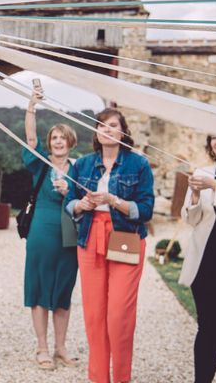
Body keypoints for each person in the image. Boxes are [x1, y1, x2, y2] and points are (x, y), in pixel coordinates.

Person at [64, 108, 154, 383]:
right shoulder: (82, 164)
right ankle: (99, 377)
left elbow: (147, 209)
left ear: (123, 131)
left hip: (125, 238)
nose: (107, 129)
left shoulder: (139, 164)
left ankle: (121, 378)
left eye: (113, 125)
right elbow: (70, 201)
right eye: (102, 125)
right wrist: (82, 204)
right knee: (94, 314)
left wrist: (114, 201)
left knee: (119, 315)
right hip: (90, 238)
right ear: (96, 132)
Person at [22, 91, 79, 370]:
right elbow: (30, 140)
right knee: (40, 288)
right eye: (54, 138)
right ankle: (42, 347)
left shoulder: (79, 168)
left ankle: (61, 347)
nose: (58, 141)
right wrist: (32, 105)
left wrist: (72, 191)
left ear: (70, 143)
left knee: (63, 292)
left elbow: (86, 199)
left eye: (62, 138)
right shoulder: (41, 164)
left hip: (69, 235)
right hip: (42, 232)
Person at [179, 135, 216, 383]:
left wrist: (214, 186)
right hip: (207, 262)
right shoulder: (204, 172)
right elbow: (191, 219)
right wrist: (194, 196)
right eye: (214, 136)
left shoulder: (211, 178)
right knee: (208, 328)